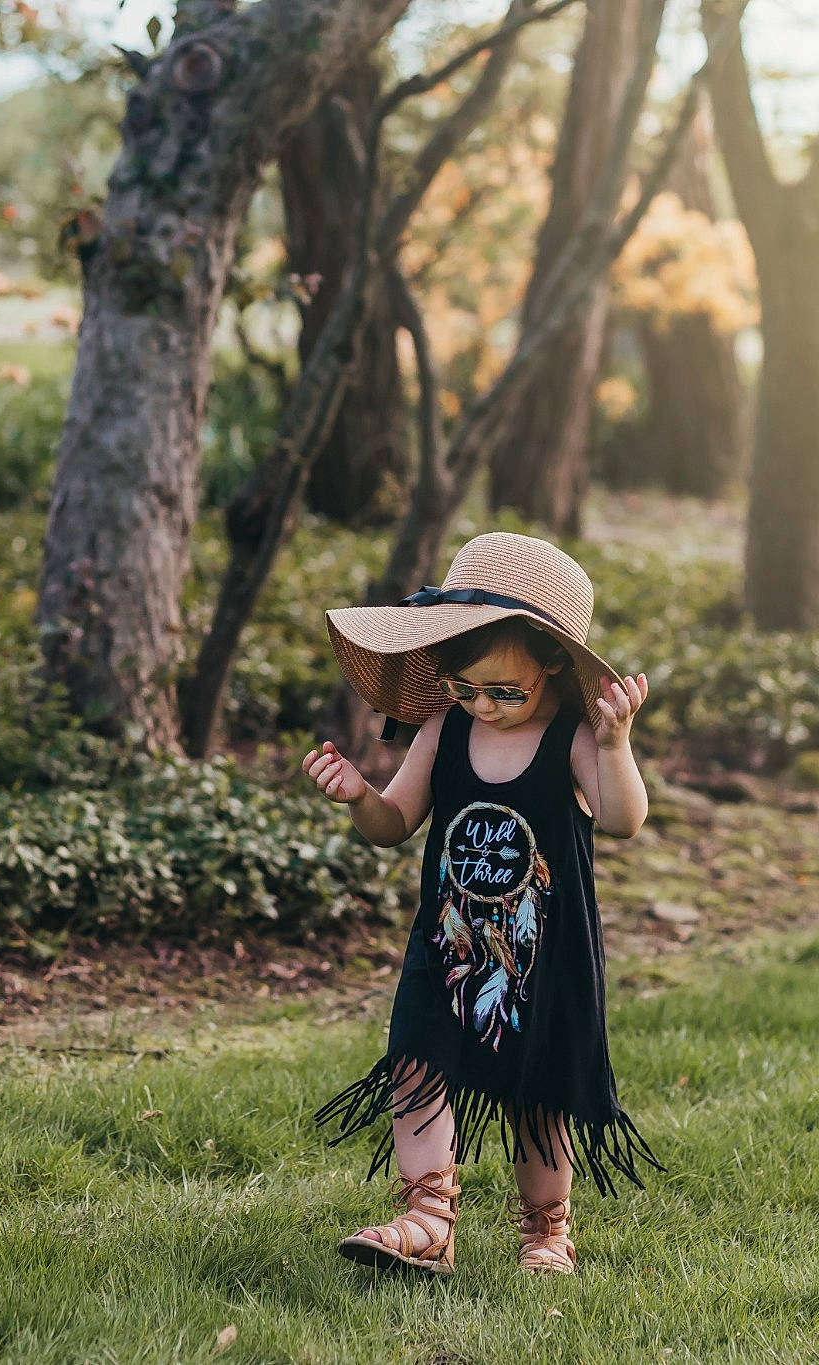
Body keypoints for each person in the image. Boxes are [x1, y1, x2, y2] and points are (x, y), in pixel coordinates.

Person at [307, 531, 661, 1275]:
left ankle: (547, 1227)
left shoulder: (570, 735)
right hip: (450, 945)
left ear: (555, 665)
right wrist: (357, 796)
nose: (484, 706)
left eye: (506, 691)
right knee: (417, 1061)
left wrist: (617, 741)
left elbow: (624, 818)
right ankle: (428, 1215)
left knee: (541, 1092)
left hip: (542, 954)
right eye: (466, 688)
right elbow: (394, 822)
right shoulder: (445, 727)